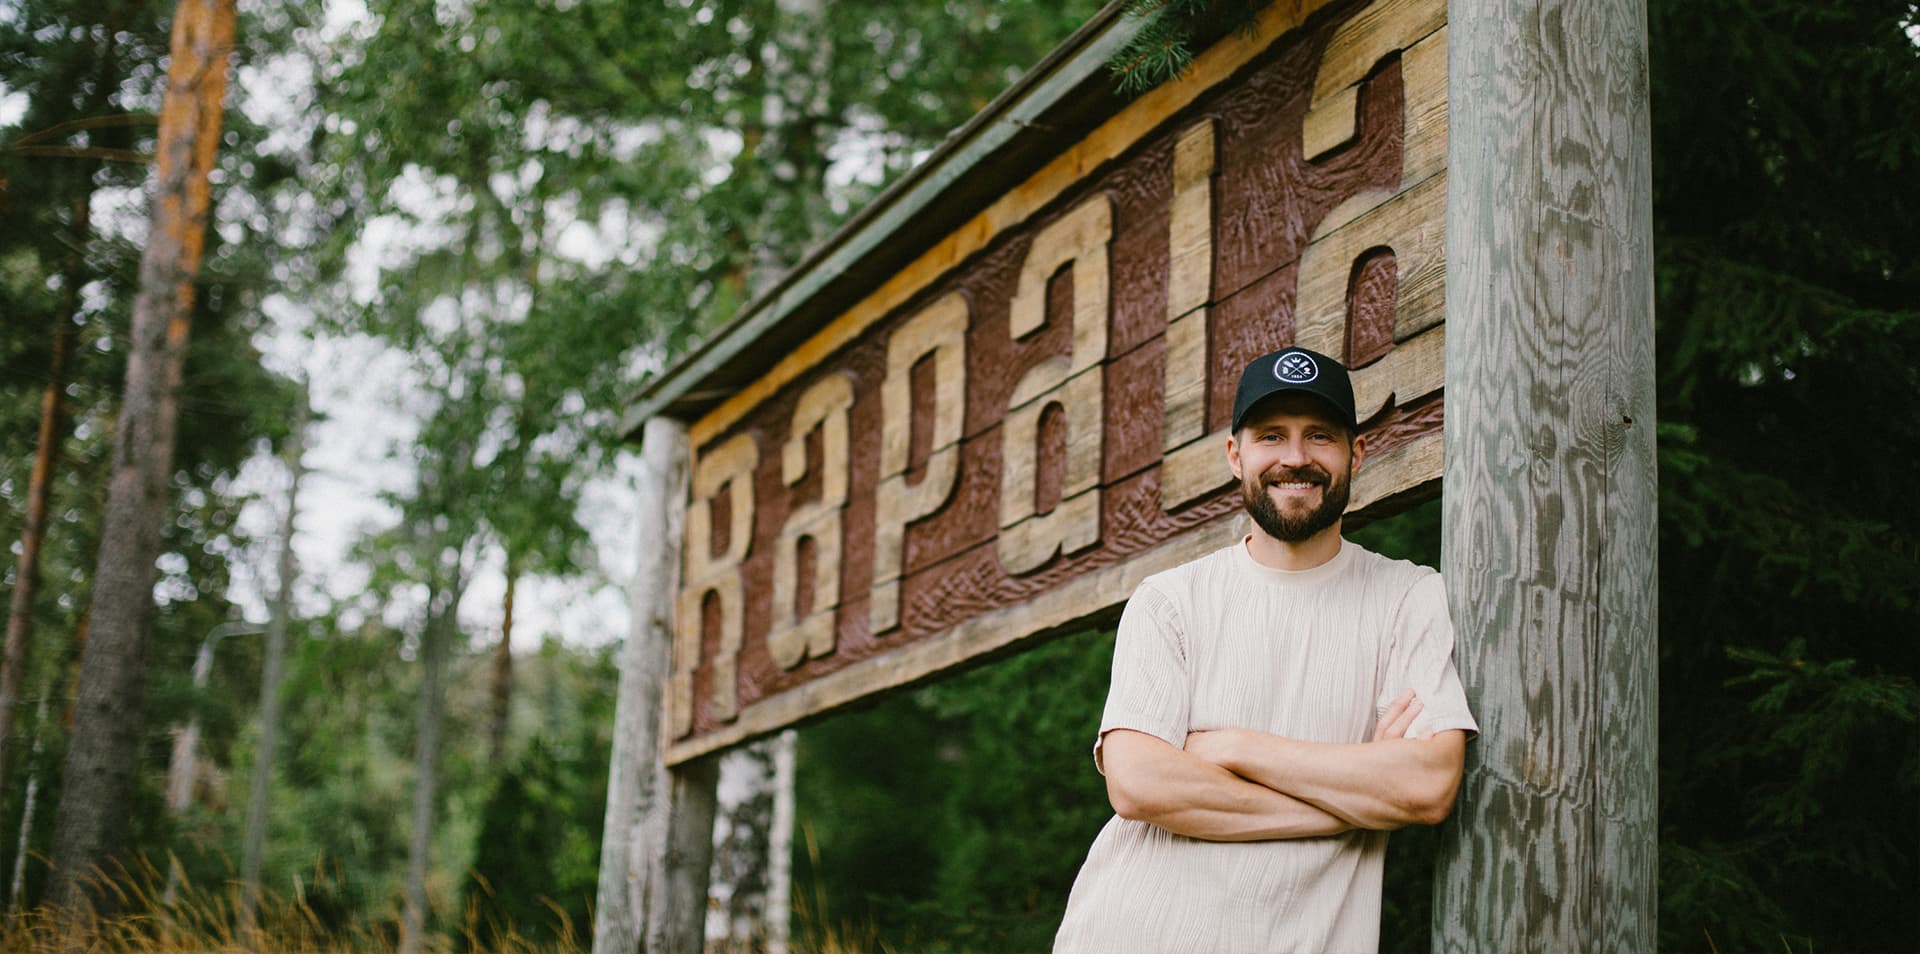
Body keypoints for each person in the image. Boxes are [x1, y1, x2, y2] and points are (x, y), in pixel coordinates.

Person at [1052, 346, 1477, 954]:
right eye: (1271, 436)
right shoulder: (1170, 601)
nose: (1295, 458)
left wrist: (1233, 746)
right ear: (1236, 455)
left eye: (1320, 436)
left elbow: (1427, 785)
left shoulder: (1407, 596)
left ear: (1355, 453)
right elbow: (1139, 785)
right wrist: (1355, 801)